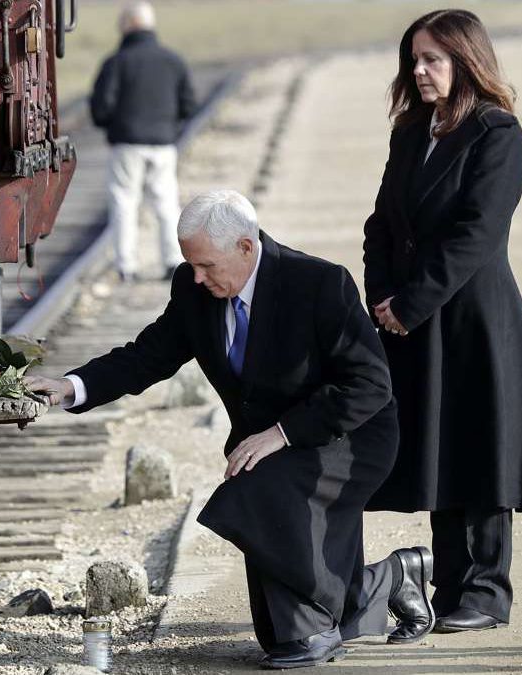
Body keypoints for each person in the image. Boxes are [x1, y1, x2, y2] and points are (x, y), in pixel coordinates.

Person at [26, 190, 434, 668]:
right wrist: (70, 386)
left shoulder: (319, 283)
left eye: (207, 265)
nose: (197, 277)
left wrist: (281, 433)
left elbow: (369, 384)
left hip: (346, 434)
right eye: (191, 265)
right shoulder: (194, 287)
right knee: (271, 629)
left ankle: (315, 632)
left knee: (251, 493)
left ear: (246, 246)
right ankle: (391, 579)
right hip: (264, 445)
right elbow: (147, 356)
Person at [362, 9, 522, 633]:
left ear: (465, 61)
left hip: (475, 317)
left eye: (432, 59)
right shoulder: (410, 133)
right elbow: (380, 226)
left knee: (483, 448)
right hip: (415, 322)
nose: (419, 71)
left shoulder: (497, 133)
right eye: (414, 59)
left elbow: (477, 234)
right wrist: (383, 297)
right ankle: (448, 588)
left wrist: (412, 301)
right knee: (438, 450)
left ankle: (485, 593)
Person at [90, 1, 195, 282]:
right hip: (163, 144)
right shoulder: (173, 60)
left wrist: (111, 127)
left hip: (126, 144)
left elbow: (101, 108)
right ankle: (173, 261)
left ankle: (127, 266)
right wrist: (169, 127)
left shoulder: (116, 62)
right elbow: (188, 104)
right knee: (166, 203)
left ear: (126, 25)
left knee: (124, 202)